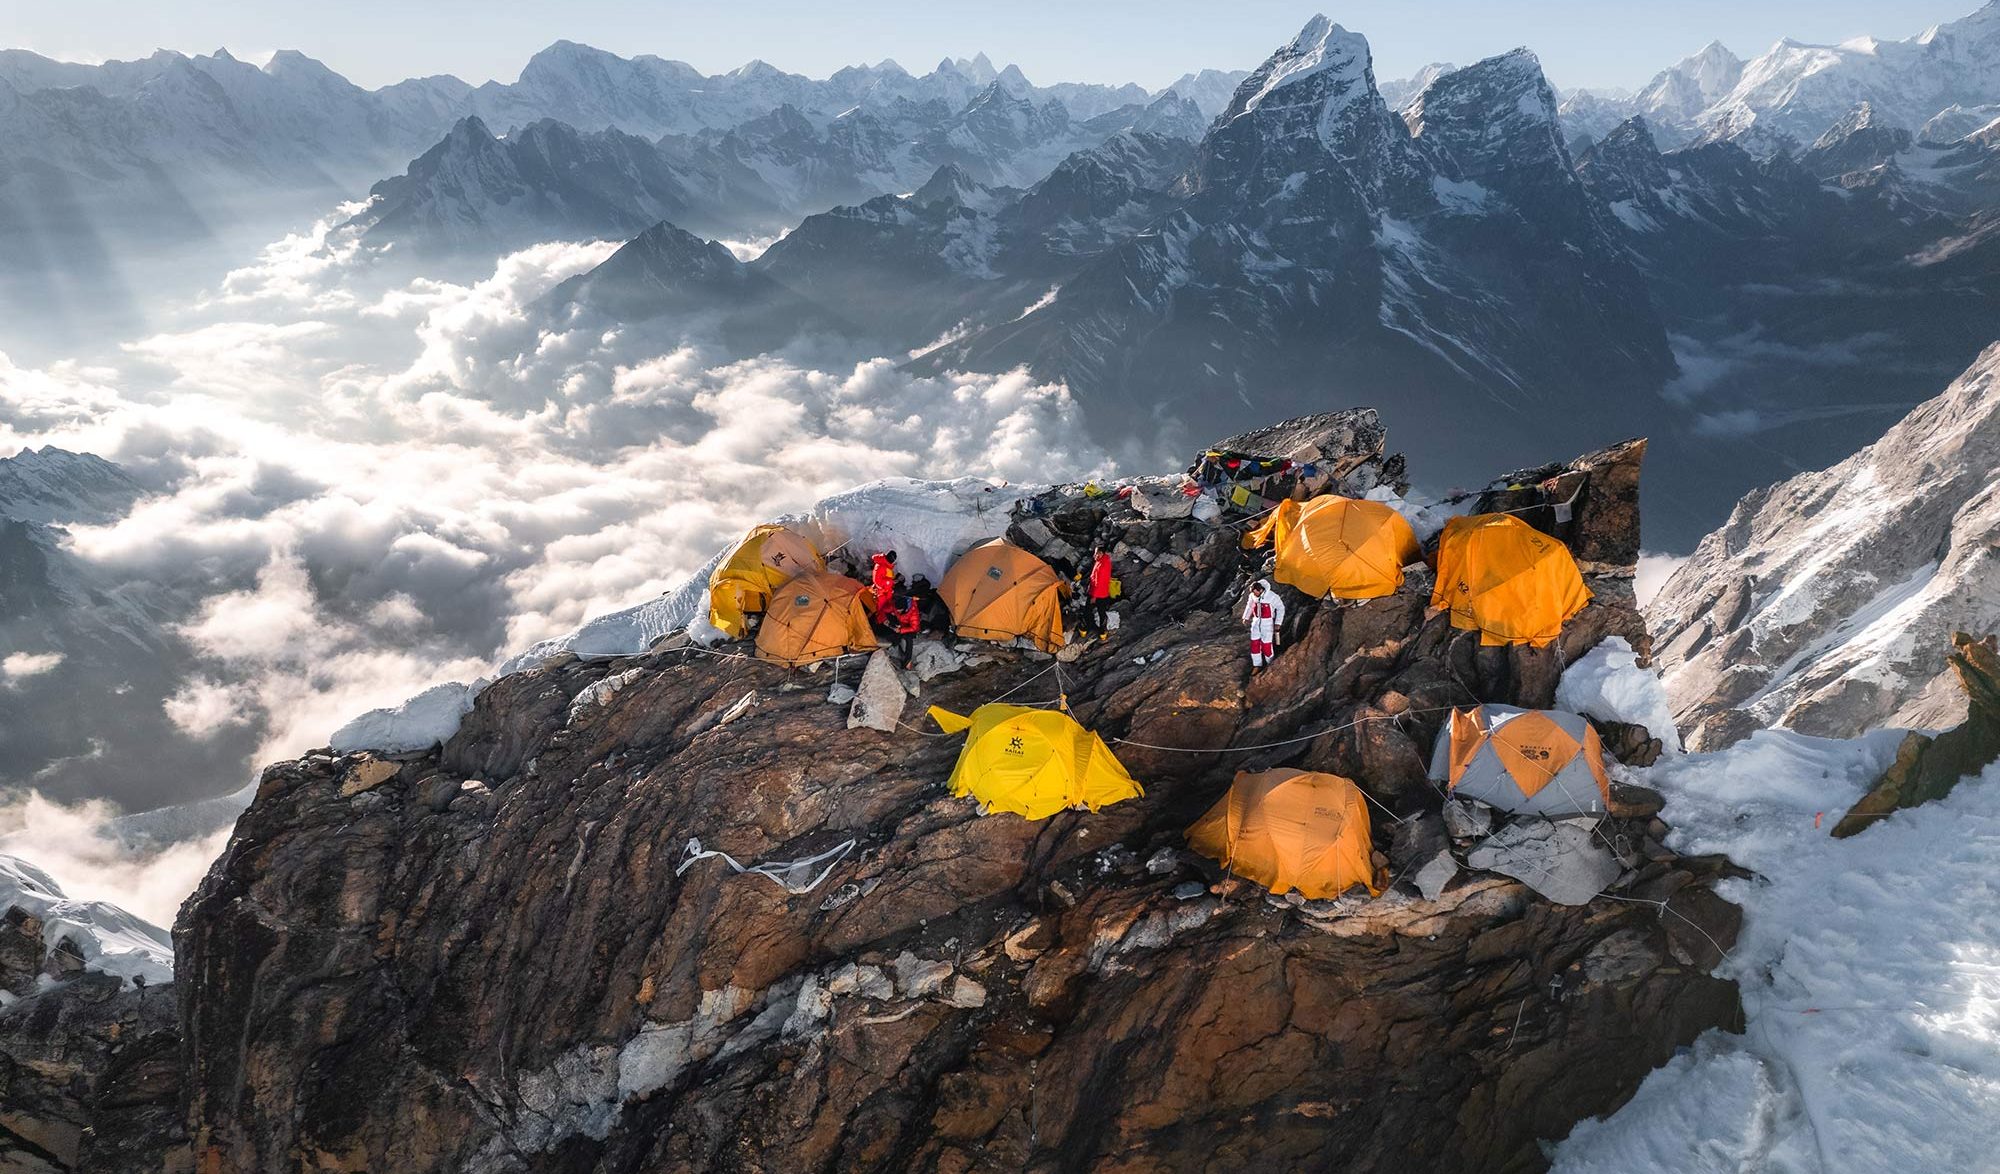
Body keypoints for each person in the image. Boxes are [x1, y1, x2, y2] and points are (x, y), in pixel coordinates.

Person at [1241, 578, 1285, 670]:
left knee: (1266, 645)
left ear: (1260, 590)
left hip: (1267, 623)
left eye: (1255, 592)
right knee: (1255, 644)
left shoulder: (1272, 596)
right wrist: (1246, 617)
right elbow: (1250, 606)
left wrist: (1278, 622)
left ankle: (1270, 663)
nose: (1254, 594)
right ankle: (1257, 665)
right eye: (1253, 592)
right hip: (1256, 622)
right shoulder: (1253, 596)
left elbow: (1281, 608)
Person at [1087, 545, 1113, 640]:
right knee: (1101, 612)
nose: (1094, 555)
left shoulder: (1102, 565)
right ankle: (1103, 631)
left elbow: (1098, 581)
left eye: (1096, 553)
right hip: (1103, 593)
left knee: (1088, 610)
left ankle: (1090, 627)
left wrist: (1094, 596)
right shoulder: (1104, 561)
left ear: (1101, 553)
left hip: (1097, 593)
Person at [891, 591, 921, 669]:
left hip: (910, 628)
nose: (897, 611)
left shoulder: (913, 613)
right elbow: (890, 609)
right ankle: (894, 647)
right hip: (901, 623)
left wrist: (901, 630)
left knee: (909, 639)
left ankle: (908, 661)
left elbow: (914, 627)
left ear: (904, 608)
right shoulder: (897, 605)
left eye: (899, 610)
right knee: (893, 633)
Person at [870, 550, 898, 623]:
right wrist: (889, 583)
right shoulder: (881, 566)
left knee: (888, 605)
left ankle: (885, 620)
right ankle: (879, 622)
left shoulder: (885, 565)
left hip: (886, 590)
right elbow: (877, 581)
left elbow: (886, 577)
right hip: (882, 591)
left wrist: (890, 583)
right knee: (882, 608)